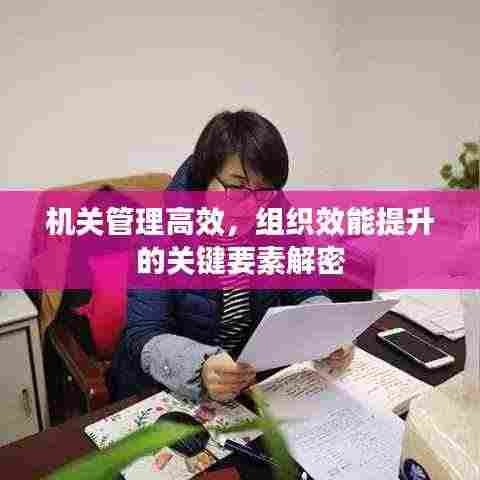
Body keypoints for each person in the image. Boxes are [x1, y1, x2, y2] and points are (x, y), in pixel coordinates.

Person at [108, 110, 354, 403]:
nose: (250, 206)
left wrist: (330, 330)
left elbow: (303, 286)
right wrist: (200, 366)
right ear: (205, 177)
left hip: (244, 380)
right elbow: (143, 333)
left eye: (264, 191)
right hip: (163, 387)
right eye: (236, 187)